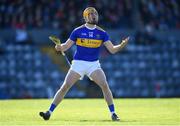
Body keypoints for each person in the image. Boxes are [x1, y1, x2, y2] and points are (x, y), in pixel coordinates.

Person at [39, 7, 129, 121]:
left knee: (105, 85)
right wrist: (59, 47)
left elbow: (112, 50)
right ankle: (49, 112)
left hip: (94, 65)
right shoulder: (77, 31)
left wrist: (121, 45)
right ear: (86, 17)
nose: (94, 16)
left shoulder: (102, 33)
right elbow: (65, 46)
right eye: (91, 14)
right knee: (65, 87)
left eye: (95, 14)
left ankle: (113, 113)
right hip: (78, 64)